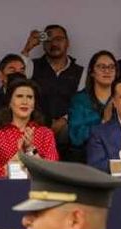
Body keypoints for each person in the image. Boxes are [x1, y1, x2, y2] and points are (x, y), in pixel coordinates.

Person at [18, 25, 84, 154]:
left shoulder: (80, 71)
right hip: (36, 126)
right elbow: (15, 83)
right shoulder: (32, 65)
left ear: (68, 43)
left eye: (59, 39)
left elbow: (80, 103)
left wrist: (63, 120)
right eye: (48, 40)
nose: (54, 43)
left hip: (68, 127)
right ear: (42, 44)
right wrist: (27, 48)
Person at [0, 77, 58, 178]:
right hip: (5, 191)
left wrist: (31, 150)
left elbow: (51, 172)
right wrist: (18, 156)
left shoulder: (45, 133)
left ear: (34, 103)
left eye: (30, 97)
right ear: (9, 102)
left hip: (37, 191)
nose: (25, 101)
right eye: (19, 96)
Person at [68, 51, 116, 161]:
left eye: (111, 67)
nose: (107, 70)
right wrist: (103, 122)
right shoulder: (80, 100)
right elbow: (76, 137)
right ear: (92, 72)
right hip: (87, 158)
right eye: (101, 67)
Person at [0, 53, 26, 118]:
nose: (18, 74)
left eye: (22, 71)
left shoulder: (33, 98)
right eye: (12, 71)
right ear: (1, 75)